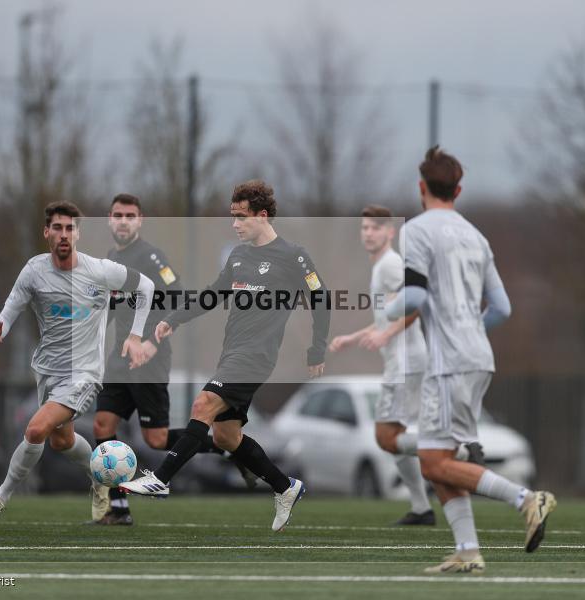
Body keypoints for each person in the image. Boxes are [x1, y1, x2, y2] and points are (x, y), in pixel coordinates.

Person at [120, 180, 331, 532]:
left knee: (202, 405)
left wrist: (316, 348)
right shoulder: (238, 256)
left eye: (241, 217)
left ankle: (161, 478)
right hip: (231, 353)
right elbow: (212, 294)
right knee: (225, 437)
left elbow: (321, 300)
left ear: (263, 216)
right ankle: (285, 486)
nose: (235, 224)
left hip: (257, 356)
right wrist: (174, 319)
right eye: (233, 217)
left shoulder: (293, 256)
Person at [385, 147, 555, 573]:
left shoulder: (418, 231)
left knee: (432, 462)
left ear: (421, 187)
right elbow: (502, 308)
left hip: (449, 362)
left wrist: (385, 310)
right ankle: (467, 551)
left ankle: (526, 499)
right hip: (478, 355)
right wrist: (469, 328)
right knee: (440, 461)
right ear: (458, 189)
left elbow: (415, 296)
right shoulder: (477, 236)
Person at [0, 201, 154, 526]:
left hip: (84, 373)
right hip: (48, 371)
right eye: (57, 228)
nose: (63, 234)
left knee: (36, 429)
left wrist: (137, 335)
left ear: (77, 234)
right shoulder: (34, 271)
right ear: (46, 232)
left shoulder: (99, 271)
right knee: (62, 440)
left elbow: (146, 286)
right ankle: (99, 479)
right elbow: (9, 309)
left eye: (69, 228)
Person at [92, 194, 249, 526]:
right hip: (119, 361)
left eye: (130, 215)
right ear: (109, 219)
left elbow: (177, 295)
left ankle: (228, 449)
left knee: (156, 439)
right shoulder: (110, 259)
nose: (123, 221)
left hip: (150, 359)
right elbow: (109, 308)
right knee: (103, 426)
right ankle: (119, 508)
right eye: (117, 215)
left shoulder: (150, 257)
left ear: (140, 220)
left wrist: (149, 343)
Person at [328, 205, 434, 526]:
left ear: (390, 232)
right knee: (394, 439)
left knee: (385, 436)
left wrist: (386, 335)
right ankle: (421, 508)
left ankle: (453, 450)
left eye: (375, 228)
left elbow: (416, 306)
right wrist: (352, 337)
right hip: (400, 362)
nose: (368, 233)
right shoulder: (379, 269)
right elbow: (384, 317)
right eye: (364, 228)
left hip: (406, 362)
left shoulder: (391, 265)